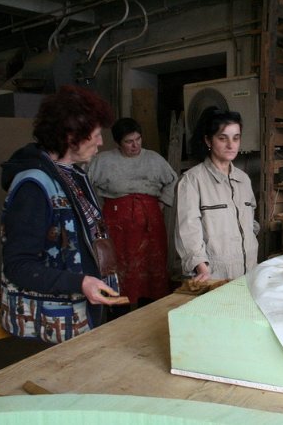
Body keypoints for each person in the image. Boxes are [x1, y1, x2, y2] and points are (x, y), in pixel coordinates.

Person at [0, 84, 128, 344]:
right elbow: (18, 265)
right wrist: (80, 283)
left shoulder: (73, 174)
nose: (101, 142)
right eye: (96, 135)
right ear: (71, 136)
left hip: (82, 313)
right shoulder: (33, 186)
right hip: (52, 326)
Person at [88, 118, 178, 310]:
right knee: (118, 267)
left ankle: (150, 310)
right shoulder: (103, 161)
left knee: (152, 268)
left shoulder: (154, 159)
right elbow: (85, 184)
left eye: (138, 139)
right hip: (117, 222)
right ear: (118, 143)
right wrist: (97, 209)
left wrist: (163, 202)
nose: (135, 145)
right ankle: (117, 311)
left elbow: (173, 180)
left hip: (150, 220)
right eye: (129, 141)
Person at [174, 107, 259, 282]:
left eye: (236, 138)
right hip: (214, 274)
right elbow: (188, 230)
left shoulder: (243, 180)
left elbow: (251, 223)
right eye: (222, 138)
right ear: (208, 140)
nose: (231, 145)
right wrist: (202, 268)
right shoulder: (192, 180)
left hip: (249, 269)